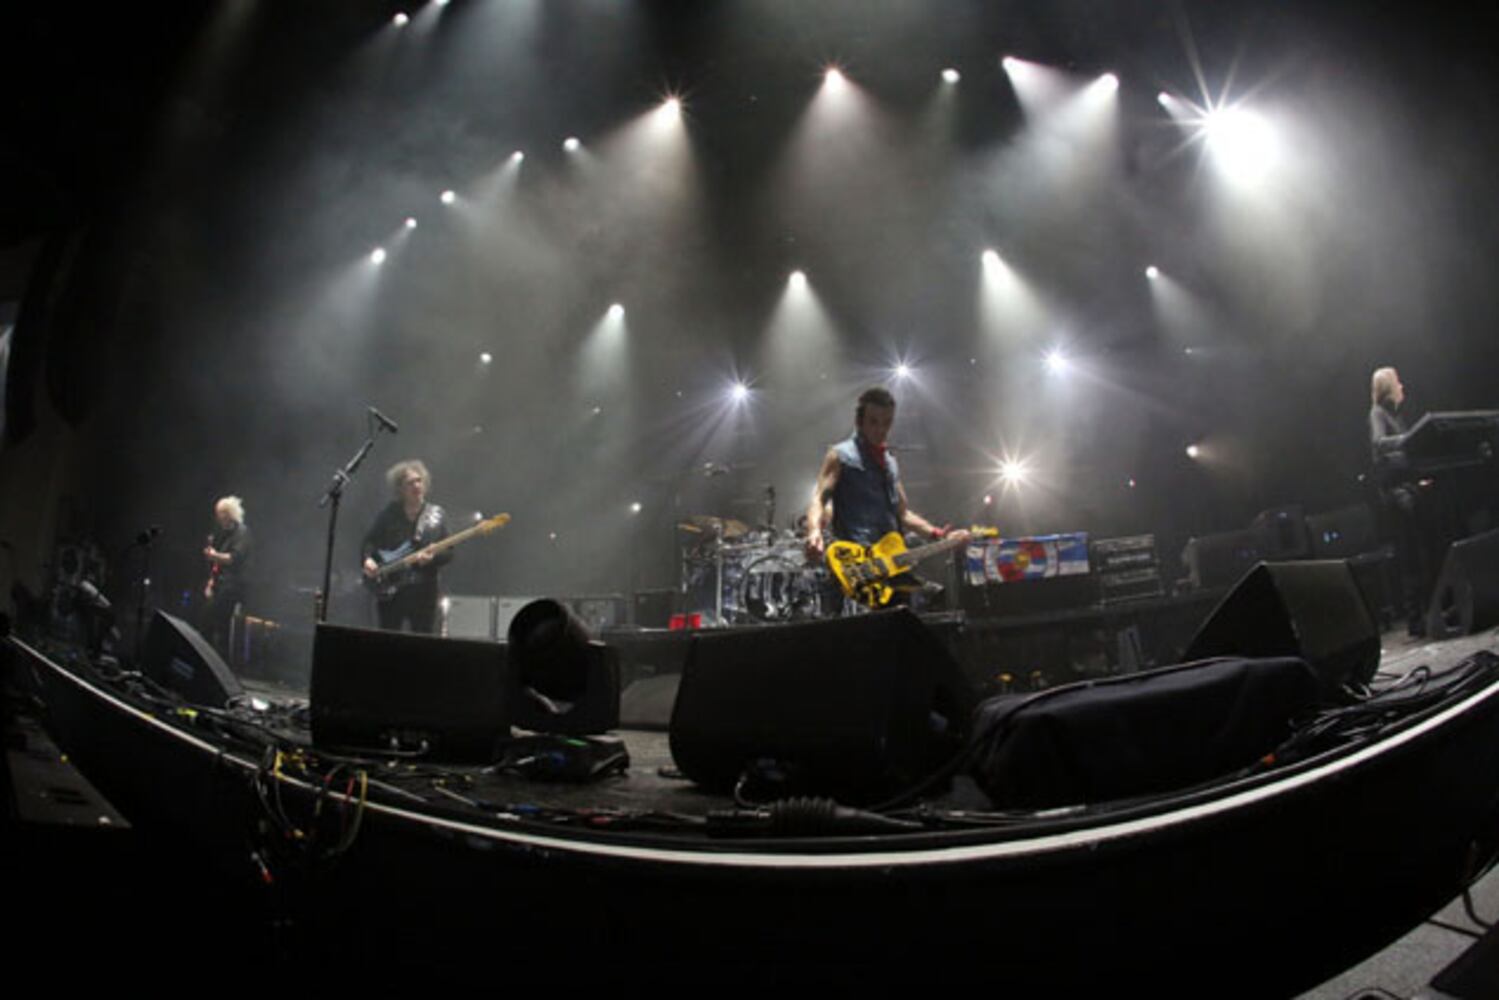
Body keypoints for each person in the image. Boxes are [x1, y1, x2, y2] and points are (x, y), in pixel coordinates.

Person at [805, 386, 967, 605]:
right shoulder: (840, 455)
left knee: (933, 600)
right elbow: (818, 498)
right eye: (873, 422)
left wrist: (938, 534)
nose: (880, 429)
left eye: (887, 422)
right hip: (858, 565)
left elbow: (903, 513)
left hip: (891, 563)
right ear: (859, 422)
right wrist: (814, 531)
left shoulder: (890, 463)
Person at [362, 459, 451, 634]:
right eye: (410, 483)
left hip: (424, 591)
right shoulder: (389, 514)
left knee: (422, 641)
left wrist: (433, 558)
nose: (416, 486)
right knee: (388, 639)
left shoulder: (438, 515)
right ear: (400, 489)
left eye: (419, 481)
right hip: (392, 590)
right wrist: (368, 560)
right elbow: (369, 542)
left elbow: (449, 552)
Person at [201, 496, 252, 658]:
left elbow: (233, 558)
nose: (218, 517)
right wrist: (211, 582)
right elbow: (218, 564)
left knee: (220, 625)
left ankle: (219, 660)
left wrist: (214, 556)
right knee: (207, 621)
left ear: (229, 513)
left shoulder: (242, 532)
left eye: (221, 513)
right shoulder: (224, 534)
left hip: (232, 586)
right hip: (220, 585)